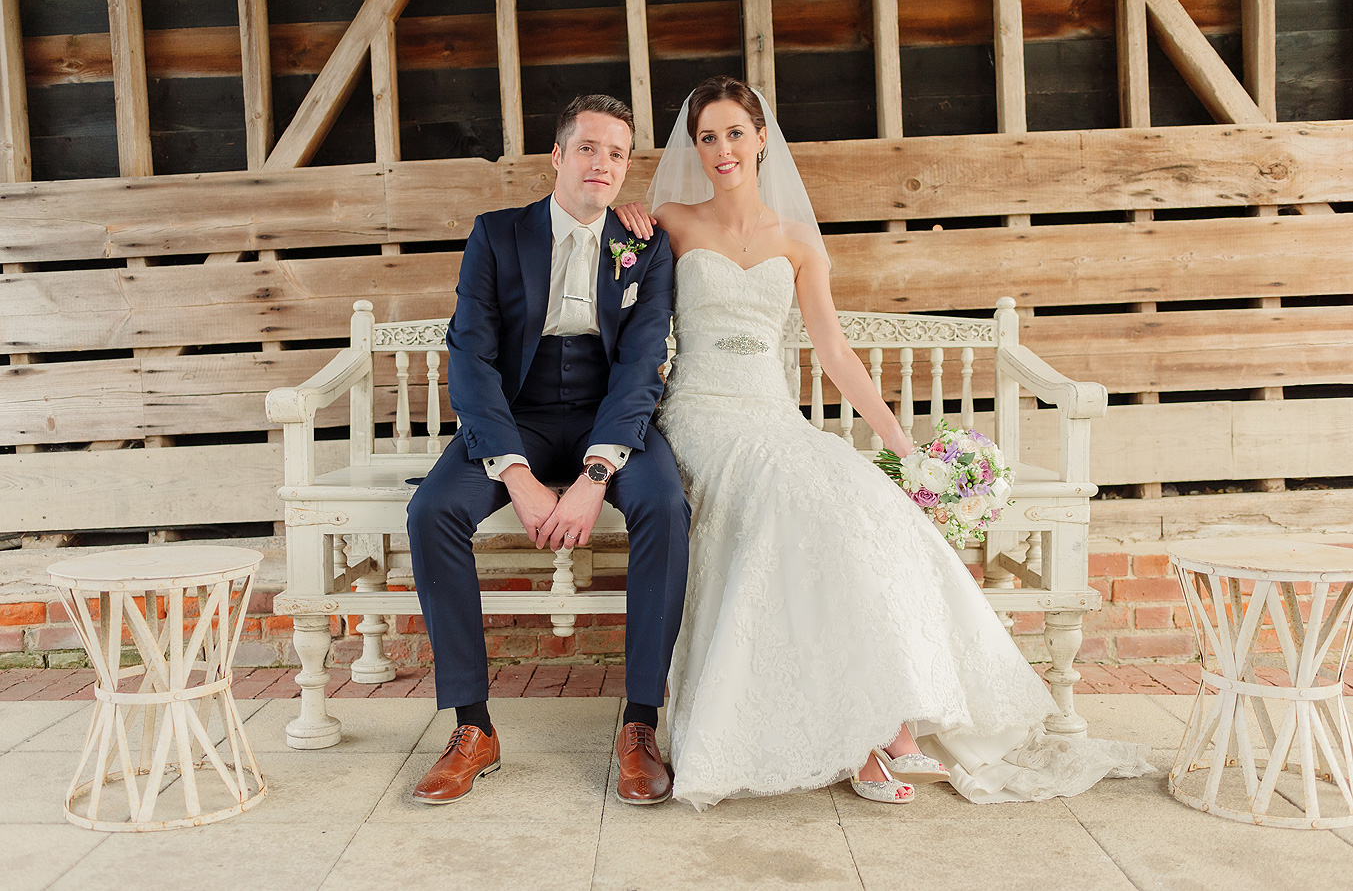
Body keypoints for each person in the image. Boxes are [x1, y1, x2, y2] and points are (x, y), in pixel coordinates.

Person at [615, 75, 1150, 809]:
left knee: (864, 504)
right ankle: (864, 734)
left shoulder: (798, 241)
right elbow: (624, 289)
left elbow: (833, 351)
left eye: (734, 132)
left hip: (772, 415)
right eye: (707, 136)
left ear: (762, 137)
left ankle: (882, 717)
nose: (721, 149)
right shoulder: (672, 221)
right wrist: (625, 218)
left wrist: (901, 445)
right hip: (703, 417)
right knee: (792, 503)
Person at [406, 94, 690, 806]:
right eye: (588, 148)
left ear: (627, 168)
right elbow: (469, 356)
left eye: (616, 153)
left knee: (663, 503)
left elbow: (642, 362)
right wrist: (518, 475)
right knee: (432, 511)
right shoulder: (497, 235)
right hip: (516, 413)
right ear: (557, 157)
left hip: (606, 411)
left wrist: (596, 473)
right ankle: (473, 727)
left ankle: (639, 723)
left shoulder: (644, 244)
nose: (602, 163)